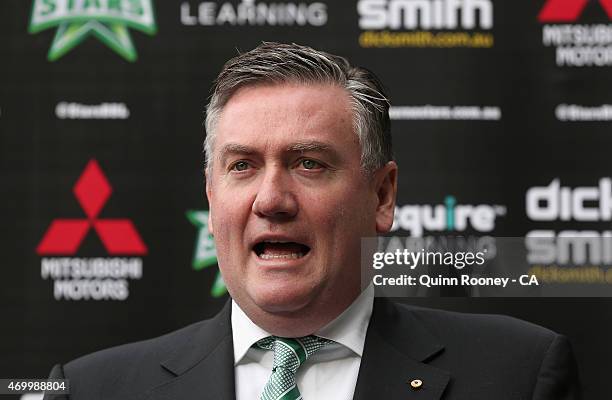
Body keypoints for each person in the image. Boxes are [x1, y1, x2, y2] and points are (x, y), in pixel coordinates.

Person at [44, 42, 580, 400]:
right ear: (211, 198)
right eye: (242, 166)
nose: (271, 199)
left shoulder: (518, 373)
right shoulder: (90, 389)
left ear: (382, 194)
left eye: (309, 163)